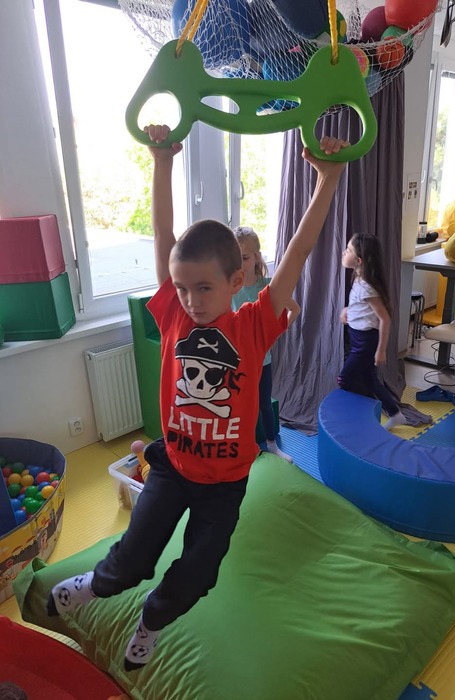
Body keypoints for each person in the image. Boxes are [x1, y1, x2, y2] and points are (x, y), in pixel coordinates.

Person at [47, 124, 349, 671]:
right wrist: (162, 162)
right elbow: (163, 237)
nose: (190, 299)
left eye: (203, 287)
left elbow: (300, 251)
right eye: (182, 288)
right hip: (172, 468)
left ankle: (152, 620)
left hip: (225, 485)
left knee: (200, 572)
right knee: (131, 562)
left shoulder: (254, 324)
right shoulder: (173, 316)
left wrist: (327, 180)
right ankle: (95, 584)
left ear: (237, 280)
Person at [232, 226, 300, 463]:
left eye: (245, 258)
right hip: (237, 363)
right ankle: (243, 448)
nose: (240, 264)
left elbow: (294, 309)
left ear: (257, 256)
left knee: (264, 404)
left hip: (263, 361)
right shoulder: (229, 288)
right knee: (241, 407)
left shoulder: (268, 287)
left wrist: (275, 333)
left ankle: (272, 444)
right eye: (235, 258)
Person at [338, 232, 407, 430]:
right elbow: (362, 306)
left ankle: (353, 416)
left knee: (344, 379)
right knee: (370, 379)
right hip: (358, 338)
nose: (344, 252)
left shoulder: (367, 287)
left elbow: (384, 318)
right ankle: (394, 414)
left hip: (366, 342)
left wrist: (381, 350)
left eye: (348, 250)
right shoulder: (359, 279)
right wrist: (348, 310)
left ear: (359, 260)